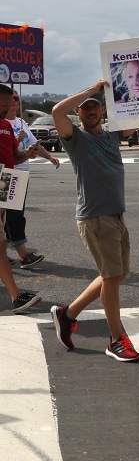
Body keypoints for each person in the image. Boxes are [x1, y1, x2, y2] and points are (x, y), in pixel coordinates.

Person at [50, 74, 139, 361]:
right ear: (78, 112)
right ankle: (115, 339)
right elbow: (56, 112)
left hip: (115, 215)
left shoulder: (112, 134)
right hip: (95, 217)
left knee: (115, 275)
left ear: (103, 110)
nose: (90, 111)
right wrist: (91, 89)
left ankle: (68, 314)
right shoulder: (74, 138)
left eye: (95, 106)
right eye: (85, 107)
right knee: (112, 278)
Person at [5, 90, 60, 268]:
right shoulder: (3, 123)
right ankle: (23, 254)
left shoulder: (21, 122)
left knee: (7, 215)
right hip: (8, 172)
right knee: (14, 214)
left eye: (16, 98)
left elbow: (34, 143)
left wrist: (49, 157)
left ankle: (2, 254)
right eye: (11, 98)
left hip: (21, 171)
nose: (14, 101)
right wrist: (15, 138)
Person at [0, 84, 42, 313]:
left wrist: (26, 154)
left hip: (5, 181)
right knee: (0, 242)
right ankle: (16, 297)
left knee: (2, 235)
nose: (8, 107)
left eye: (11, 103)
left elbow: (13, 156)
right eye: (5, 103)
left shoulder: (6, 126)